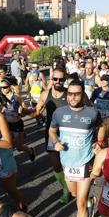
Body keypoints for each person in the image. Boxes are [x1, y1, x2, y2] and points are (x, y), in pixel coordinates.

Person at [49, 80, 105, 217]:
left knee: (79, 203)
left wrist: (99, 142)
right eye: (70, 94)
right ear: (67, 94)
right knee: (75, 195)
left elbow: (102, 127)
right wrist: (56, 142)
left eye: (77, 94)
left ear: (83, 95)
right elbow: (51, 130)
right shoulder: (59, 113)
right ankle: (91, 199)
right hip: (68, 162)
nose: (73, 97)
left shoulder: (92, 113)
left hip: (85, 163)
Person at [33, 68, 71, 203]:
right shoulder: (45, 94)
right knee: (56, 165)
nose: (58, 82)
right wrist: (25, 112)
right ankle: (66, 189)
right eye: (55, 79)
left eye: (61, 79)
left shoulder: (70, 94)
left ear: (65, 80)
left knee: (69, 164)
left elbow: (86, 107)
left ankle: (75, 190)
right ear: (51, 79)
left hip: (69, 134)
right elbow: (36, 111)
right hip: (51, 133)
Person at [0, 79, 36, 161]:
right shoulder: (1, 98)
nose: (3, 89)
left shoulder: (16, 97)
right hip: (6, 124)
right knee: (8, 144)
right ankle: (9, 162)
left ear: (9, 87)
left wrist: (21, 109)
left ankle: (30, 150)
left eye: (5, 87)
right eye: (1, 88)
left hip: (16, 124)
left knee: (19, 147)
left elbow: (25, 107)